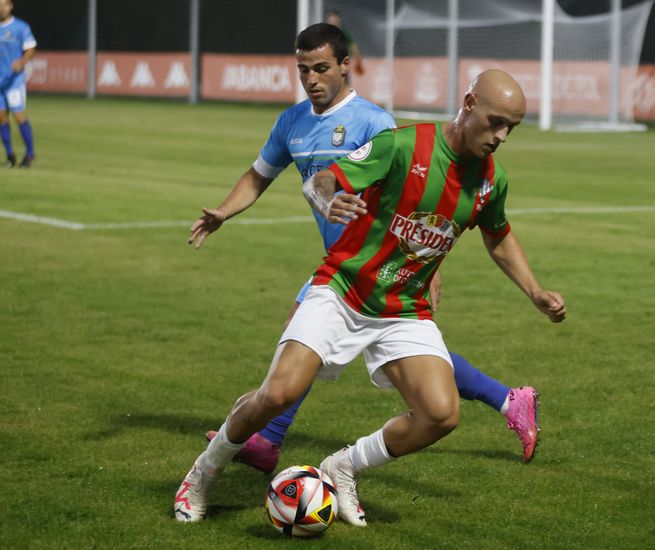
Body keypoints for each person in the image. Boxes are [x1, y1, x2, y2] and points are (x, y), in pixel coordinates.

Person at [175, 66, 564, 526]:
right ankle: (203, 473)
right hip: (343, 289)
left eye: (511, 129)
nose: (501, 136)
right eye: (496, 122)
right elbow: (323, 182)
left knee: (441, 415)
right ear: (469, 104)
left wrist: (534, 290)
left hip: (404, 310)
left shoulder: (489, 182)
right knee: (278, 394)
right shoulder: (402, 145)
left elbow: (497, 236)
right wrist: (328, 200)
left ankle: (343, 466)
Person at [0, 0, 36, 168]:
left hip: (14, 81)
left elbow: (31, 48)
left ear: (11, 6)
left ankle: (29, 154)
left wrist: (22, 62)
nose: (2, 8)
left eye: (5, 4)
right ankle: (10, 155)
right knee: (1, 118)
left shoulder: (20, 27)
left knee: (18, 116)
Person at [326, 10, 364, 78]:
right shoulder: (325, 32)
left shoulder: (344, 32)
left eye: (333, 18)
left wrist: (358, 61)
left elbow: (353, 46)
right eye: (330, 18)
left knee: (343, 81)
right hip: (329, 61)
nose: (331, 20)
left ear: (338, 19)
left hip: (341, 62)